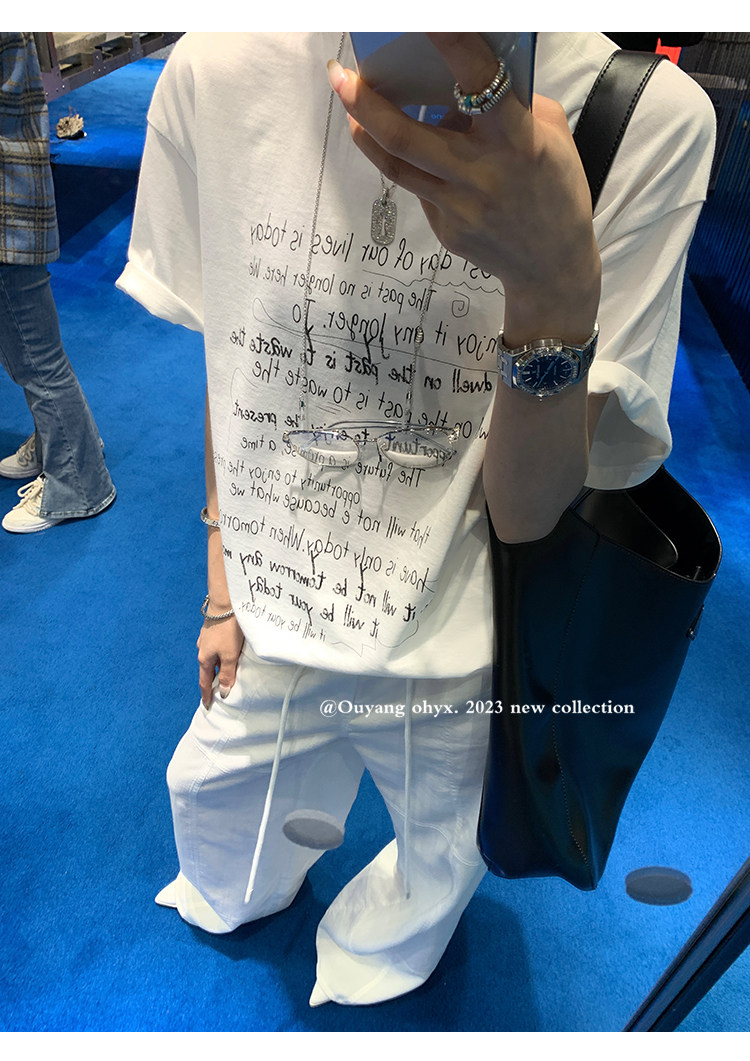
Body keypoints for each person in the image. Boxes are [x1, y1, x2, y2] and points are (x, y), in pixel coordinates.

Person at [116, 32, 715, 1006]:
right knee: (217, 795)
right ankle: (240, 889)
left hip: (465, 628)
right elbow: (240, 361)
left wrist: (552, 288)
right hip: (279, 586)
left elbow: (531, 509)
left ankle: (386, 949)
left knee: (438, 847)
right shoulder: (219, 62)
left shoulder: (639, 118)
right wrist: (221, 587)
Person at [0, 32, 115, 533]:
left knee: (33, 352)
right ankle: (64, 443)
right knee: (23, 349)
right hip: (13, 194)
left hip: (8, 204)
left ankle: (79, 483)